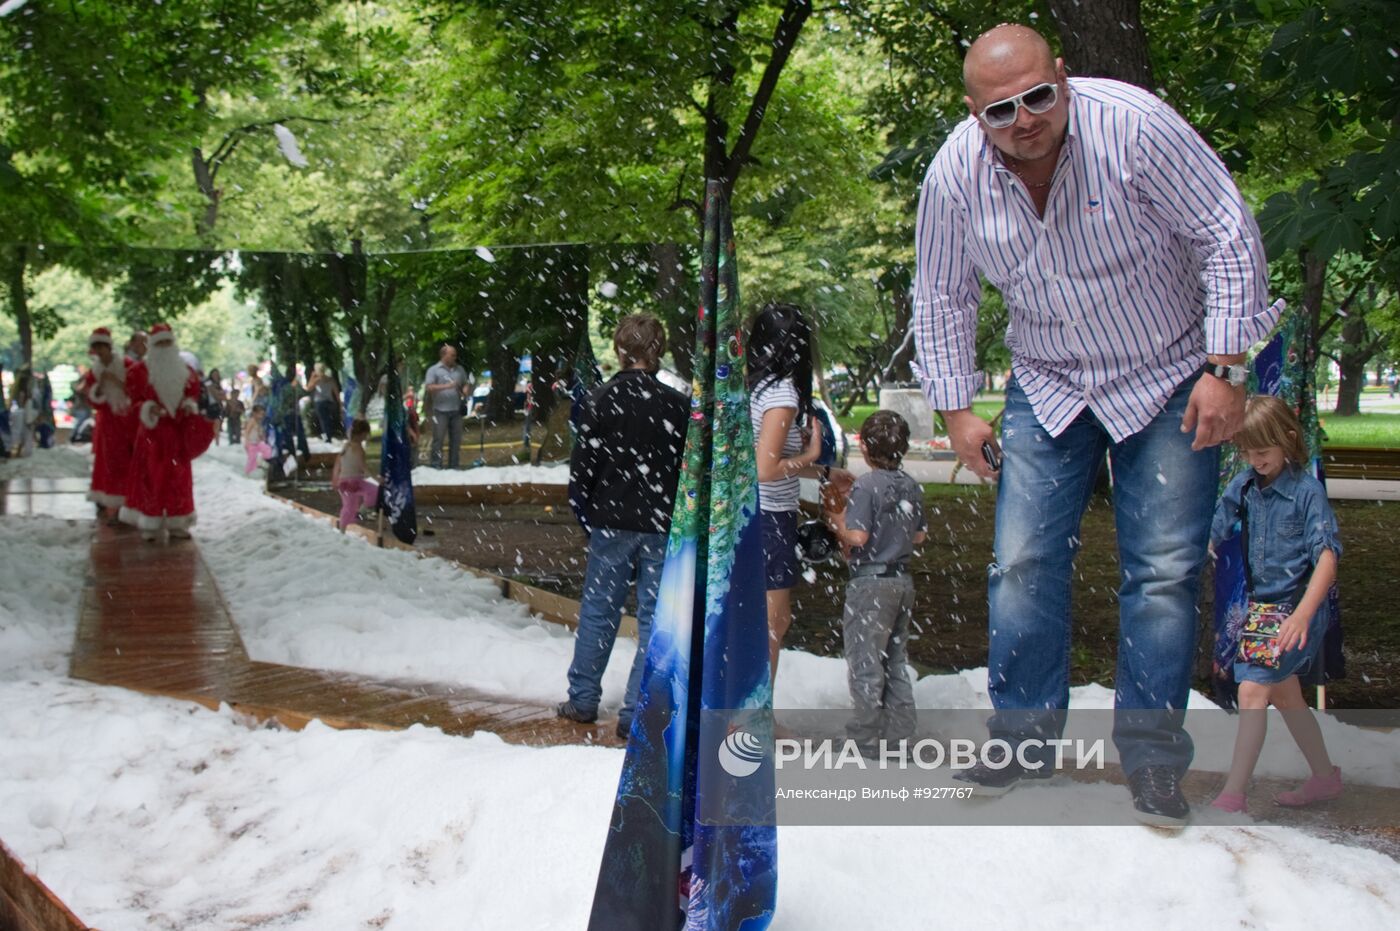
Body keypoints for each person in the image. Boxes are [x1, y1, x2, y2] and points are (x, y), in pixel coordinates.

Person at [912, 24, 1277, 824]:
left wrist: (1225, 369)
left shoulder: (1135, 127)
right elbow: (942, 294)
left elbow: (1226, 231)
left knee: (1164, 572)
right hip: (1048, 381)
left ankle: (1150, 761)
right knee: (1020, 561)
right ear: (976, 116)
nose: (1026, 118)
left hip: (1171, 370)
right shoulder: (952, 177)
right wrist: (956, 406)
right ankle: (1021, 741)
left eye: (1039, 95)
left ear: (1064, 79)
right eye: (1002, 109)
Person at [1208, 397, 1343, 813]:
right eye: (1246, 452)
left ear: (1287, 440)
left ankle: (1233, 794)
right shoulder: (1243, 485)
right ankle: (1325, 778)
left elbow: (1327, 557)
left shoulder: (1307, 492)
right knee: (1285, 696)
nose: (1255, 461)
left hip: (1297, 608)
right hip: (1259, 610)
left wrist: (1303, 613)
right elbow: (1213, 534)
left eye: (1262, 452)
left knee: (1251, 691)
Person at [559, 314, 688, 738]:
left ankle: (582, 700)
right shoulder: (678, 404)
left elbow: (582, 471)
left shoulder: (599, 399)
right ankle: (636, 710)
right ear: (659, 349)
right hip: (661, 521)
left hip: (611, 521)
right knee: (654, 619)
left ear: (619, 350)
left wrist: (589, 515)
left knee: (599, 610)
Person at [748, 303, 854, 685]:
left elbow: (768, 461)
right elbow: (765, 470)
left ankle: (747, 713)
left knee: (769, 619)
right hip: (770, 516)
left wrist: (824, 470)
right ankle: (752, 717)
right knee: (772, 622)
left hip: (761, 514)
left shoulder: (760, 387)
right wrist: (811, 454)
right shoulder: (782, 396)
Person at [824, 410, 927, 757]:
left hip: (870, 583)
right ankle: (900, 733)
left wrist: (836, 519)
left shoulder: (866, 485)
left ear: (864, 447)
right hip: (901, 580)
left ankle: (864, 735)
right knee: (894, 659)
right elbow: (920, 536)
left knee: (865, 658)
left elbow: (858, 535)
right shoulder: (910, 484)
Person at [123, 323, 217, 541]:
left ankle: (178, 522)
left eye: (168, 342)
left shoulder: (186, 372)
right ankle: (150, 524)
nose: (165, 346)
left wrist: (188, 406)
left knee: (179, 478)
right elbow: (132, 403)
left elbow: (192, 395)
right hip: (152, 434)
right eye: (160, 343)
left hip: (177, 434)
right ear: (153, 345)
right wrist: (148, 409)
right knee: (151, 478)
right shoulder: (139, 372)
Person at [77, 327, 138, 522]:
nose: (100, 352)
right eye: (96, 349)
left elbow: (137, 389)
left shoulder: (126, 364)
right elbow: (92, 398)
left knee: (126, 460)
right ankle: (108, 499)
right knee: (107, 461)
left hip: (127, 419)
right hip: (107, 421)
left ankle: (128, 500)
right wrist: (99, 386)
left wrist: (116, 381)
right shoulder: (94, 372)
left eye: (102, 348)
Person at [424, 344, 468, 468]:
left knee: (456, 441)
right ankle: (436, 465)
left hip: (456, 410)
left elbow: (465, 383)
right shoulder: (433, 370)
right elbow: (429, 387)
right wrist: (447, 386)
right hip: (440, 410)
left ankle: (454, 466)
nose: (455, 357)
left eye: (455, 355)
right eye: (452, 355)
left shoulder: (460, 369)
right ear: (444, 355)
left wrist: (465, 389)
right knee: (438, 440)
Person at [331, 418, 377, 532]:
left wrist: (335, 479)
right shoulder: (358, 448)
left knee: (349, 507)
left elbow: (338, 465)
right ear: (362, 434)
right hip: (354, 481)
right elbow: (363, 466)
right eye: (366, 434)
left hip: (344, 482)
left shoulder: (346, 446)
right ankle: (361, 512)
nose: (367, 437)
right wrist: (376, 478)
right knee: (374, 491)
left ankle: (342, 528)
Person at [307, 363, 341, 442]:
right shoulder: (331, 379)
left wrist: (312, 376)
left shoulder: (316, 380)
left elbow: (308, 388)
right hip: (330, 402)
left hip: (319, 403)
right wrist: (339, 403)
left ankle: (326, 438)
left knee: (323, 422)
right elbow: (336, 392)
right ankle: (329, 436)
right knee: (328, 420)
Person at [242, 404, 274, 475]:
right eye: (260, 414)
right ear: (254, 413)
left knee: (267, 449)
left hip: (257, 442)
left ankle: (260, 460)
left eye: (263, 414)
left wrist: (262, 436)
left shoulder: (258, 422)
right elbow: (247, 432)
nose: (262, 416)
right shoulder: (252, 421)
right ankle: (248, 472)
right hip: (250, 443)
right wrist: (246, 442)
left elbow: (259, 432)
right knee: (251, 459)